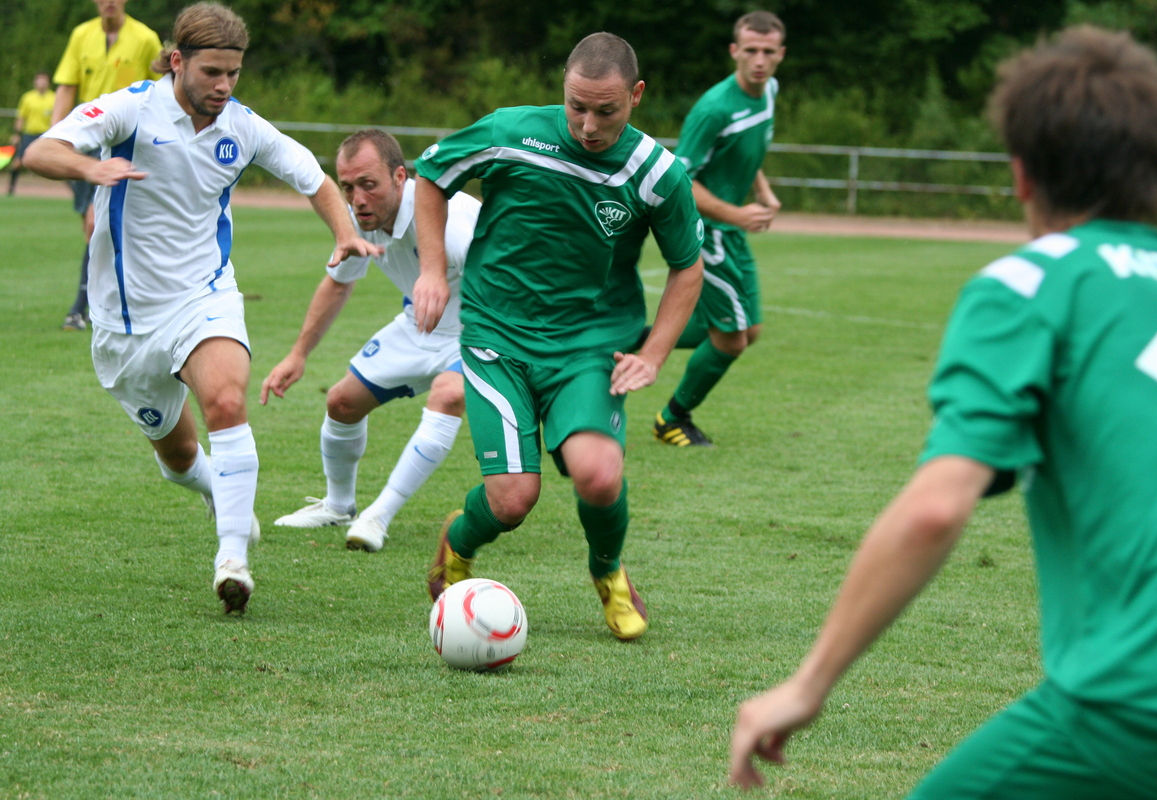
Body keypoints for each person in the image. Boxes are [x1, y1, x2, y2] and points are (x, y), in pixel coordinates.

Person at [729, 26, 1157, 799]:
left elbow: (935, 509)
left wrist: (808, 683)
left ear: (1019, 175)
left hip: (1145, 705)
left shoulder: (1028, 284)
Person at [24, 2, 380, 614]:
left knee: (225, 400)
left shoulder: (241, 126)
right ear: (177, 60)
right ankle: (214, 487)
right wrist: (90, 166)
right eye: (212, 72)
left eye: (233, 74)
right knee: (180, 456)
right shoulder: (131, 108)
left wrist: (343, 230)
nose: (223, 86)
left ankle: (231, 561)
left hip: (203, 296)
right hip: (125, 324)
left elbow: (312, 177)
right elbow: (39, 151)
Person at [412, 32, 705, 641]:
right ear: (562, 91)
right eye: (576, 106)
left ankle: (609, 573)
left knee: (599, 475)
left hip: (591, 345)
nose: (588, 125)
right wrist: (433, 269)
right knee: (513, 501)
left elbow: (688, 267)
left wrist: (652, 354)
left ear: (637, 96)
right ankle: (458, 545)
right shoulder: (510, 132)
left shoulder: (657, 174)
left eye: (606, 110)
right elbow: (432, 176)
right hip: (498, 336)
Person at [262, 129, 481, 553]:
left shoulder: (451, 219)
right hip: (419, 325)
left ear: (400, 177)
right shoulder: (360, 219)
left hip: (481, 328)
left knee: (448, 393)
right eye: (347, 187)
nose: (357, 199)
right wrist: (298, 354)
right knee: (342, 402)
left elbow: (508, 287)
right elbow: (337, 284)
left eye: (368, 185)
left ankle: (378, 516)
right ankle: (339, 505)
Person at [653, 11, 785, 447]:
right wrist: (736, 213)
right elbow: (683, 177)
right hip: (707, 232)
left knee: (751, 331)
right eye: (751, 51)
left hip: (733, 229)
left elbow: (750, 151)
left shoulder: (769, 94)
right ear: (735, 52)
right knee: (731, 339)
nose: (759, 60)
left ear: (780, 54)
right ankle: (672, 418)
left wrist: (762, 193)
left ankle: (633, 336)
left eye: (768, 52)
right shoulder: (714, 108)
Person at [51, 0, 162, 331]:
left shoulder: (145, 38)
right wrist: (55, 139)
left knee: (96, 223)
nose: (109, 1)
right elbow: (67, 87)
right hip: (87, 145)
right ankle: (99, 304)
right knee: (96, 226)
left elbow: (166, 91)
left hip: (126, 146)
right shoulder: (81, 35)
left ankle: (82, 307)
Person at [8, 73, 55, 196]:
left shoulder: (54, 97)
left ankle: (72, 191)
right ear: (35, 82)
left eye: (44, 80)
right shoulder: (27, 97)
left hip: (45, 135)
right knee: (18, 162)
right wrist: (17, 134)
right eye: (39, 80)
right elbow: (21, 117)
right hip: (29, 134)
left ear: (48, 82)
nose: (41, 83)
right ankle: (11, 189)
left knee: (56, 161)